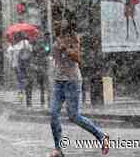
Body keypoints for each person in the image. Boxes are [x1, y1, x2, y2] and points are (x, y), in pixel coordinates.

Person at [49, 21, 109, 157]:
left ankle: (101, 136)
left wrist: (65, 49)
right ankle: (58, 149)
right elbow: (54, 58)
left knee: (74, 116)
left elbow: (78, 59)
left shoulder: (74, 39)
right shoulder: (56, 41)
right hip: (58, 81)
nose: (57, 27)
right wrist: (56, 47)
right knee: (53, 114)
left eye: (59, 26)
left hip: (72, 81)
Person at [32, 31, 50, 106]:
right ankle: (44, 99)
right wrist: (45, 50)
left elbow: (35, 51)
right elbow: (47, 51)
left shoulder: (42, 43)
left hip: (42, 64)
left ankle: (44, 99)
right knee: (44, 83)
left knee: (43, 84)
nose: (48, 38)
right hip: (42, 64)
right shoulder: (44, 43)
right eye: (47, 36)